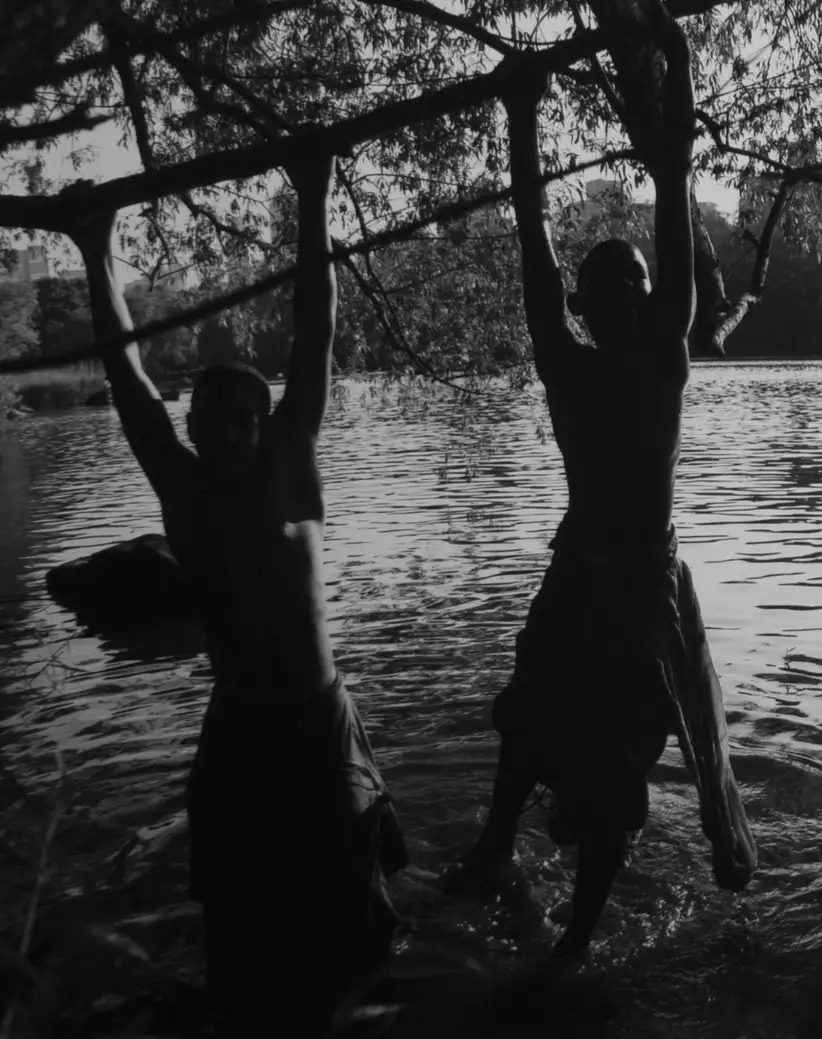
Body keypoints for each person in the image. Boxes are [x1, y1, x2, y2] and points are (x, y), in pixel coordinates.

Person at [443, 16, 755, 959]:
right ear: (580, 305)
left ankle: (576, 943)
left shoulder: (664, 359)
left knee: (618, 759)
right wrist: (520, 113)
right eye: (601, 278)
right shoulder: (566, 366)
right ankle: (496, 846)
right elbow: (531, 237)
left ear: (653, 300)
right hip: (577, 574)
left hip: (640, 588)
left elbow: (674, 178)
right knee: (527, 715)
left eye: (635, 277)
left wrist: (679, 63)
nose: (619, 283)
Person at [82, 149, 408, 1030]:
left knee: (353, 920)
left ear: (265, 426)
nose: (227, 432)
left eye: (242, 420)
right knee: (235, 908)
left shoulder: (290, 472)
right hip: (239, 726)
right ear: (192, 427)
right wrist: (94, 248)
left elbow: (314, 331)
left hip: (315, 720)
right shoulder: (184, 495)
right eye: (211, 420)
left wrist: (315, 192)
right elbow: (128, 379)